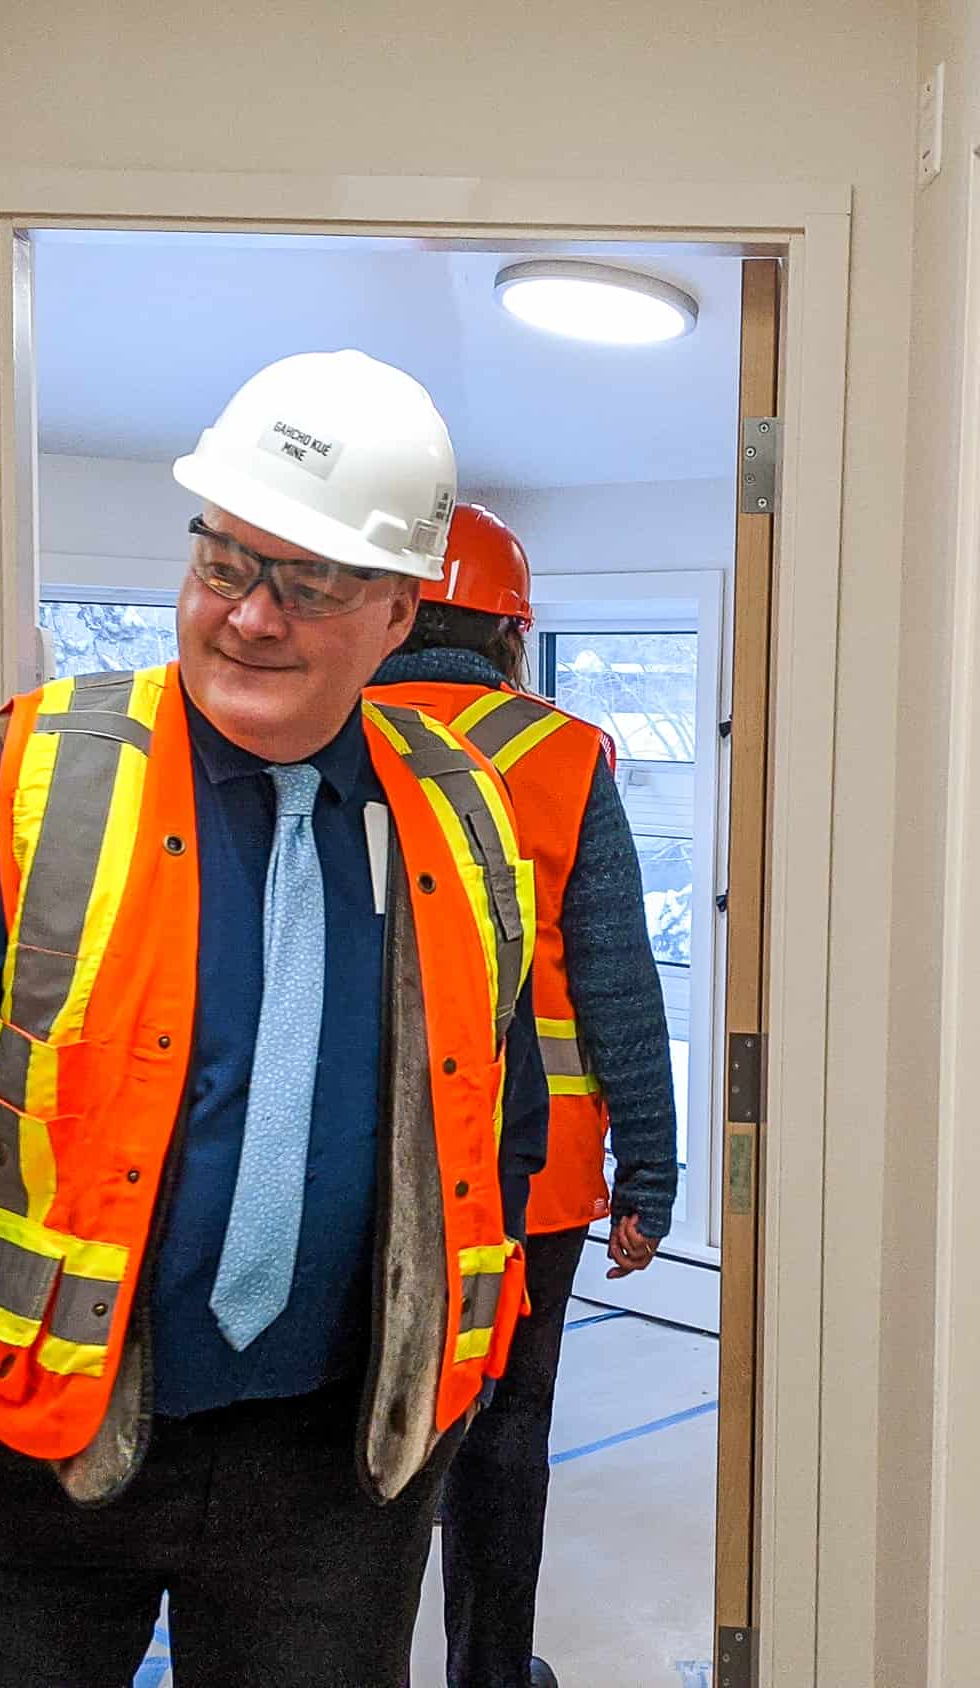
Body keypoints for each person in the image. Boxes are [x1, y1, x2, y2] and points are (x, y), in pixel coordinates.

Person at [0, 350, 549, 1688]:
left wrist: (450, 1389)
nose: (248, 617)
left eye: (306, 583)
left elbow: (501, 1126)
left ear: (396, 611)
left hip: (335, 1478)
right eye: (223, 562)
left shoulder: (463, 820)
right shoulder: (5, 803)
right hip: (18, 1468)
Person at [369, 505, 682, 1688]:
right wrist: (649, 1176)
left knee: (367, 1431)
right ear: (511, 632)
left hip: (361, 1163)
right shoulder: (560, 751)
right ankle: (490, 1672)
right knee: (505, 1432)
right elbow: (617, 984)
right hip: (532, 1178)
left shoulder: (326, 730)